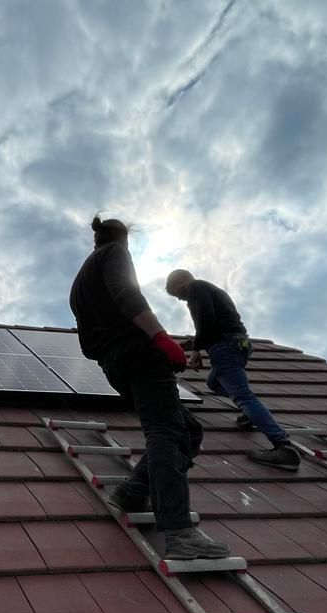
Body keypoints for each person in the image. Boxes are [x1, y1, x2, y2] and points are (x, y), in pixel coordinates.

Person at [70, 216, 230, 560]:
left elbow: (87, 342)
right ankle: (178, 531)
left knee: (189, 430)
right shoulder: (115, 253)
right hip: (139, 354)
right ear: (124, 240)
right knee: (167, 433)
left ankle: (134, 490)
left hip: (114, 366)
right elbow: (126, 293)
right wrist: (159, 336)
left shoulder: (79, 283)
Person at [165, 269, 300, 471]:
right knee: (213, 382)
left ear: (182, 281)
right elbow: (216, 324)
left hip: (226, 345)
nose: (181, 299)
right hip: (238, 343)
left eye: (177, 293)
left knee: (242, 395)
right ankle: (250, 414)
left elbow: (206, 319)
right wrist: (195, 344)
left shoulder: (196, 287)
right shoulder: (210, 290)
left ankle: (283, 447)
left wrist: (197, 350)